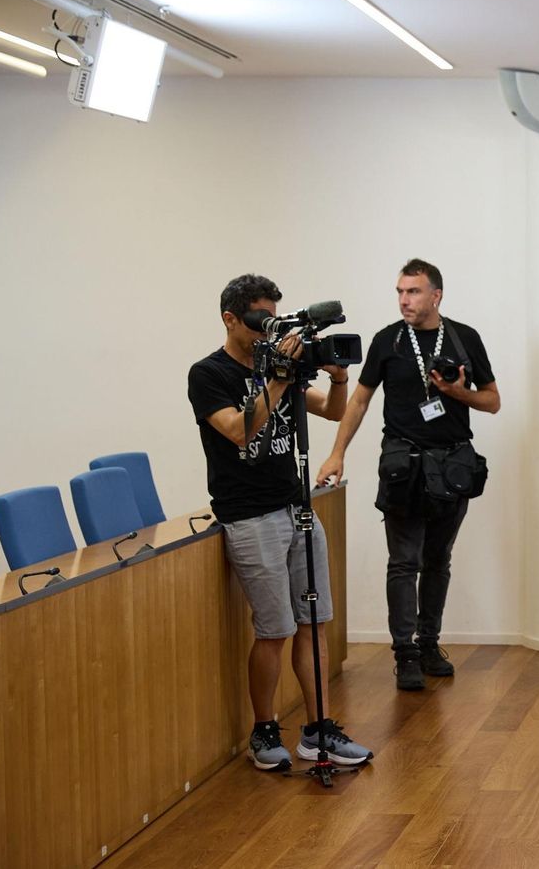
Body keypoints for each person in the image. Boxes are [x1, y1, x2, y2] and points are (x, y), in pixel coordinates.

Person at [187, 274, 373, 772]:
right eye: (258, 319)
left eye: (272, 315)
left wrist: (335, 375)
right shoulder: (209, 374)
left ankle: (318, 730)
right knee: (274, 629)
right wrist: (280, 377)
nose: (267, 329)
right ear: (230, 319)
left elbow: (333, 412)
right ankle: (264, 728)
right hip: (249, 516)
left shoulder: (278, 368)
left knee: (314, 623)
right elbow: (239, 430)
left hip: (298, 507)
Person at [316, 259, 499, 691]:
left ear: (436, 295)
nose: (404, 300)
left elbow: (492, 401)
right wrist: (336, 453)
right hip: (403, 465)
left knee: (438, 561)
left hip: (452, 465)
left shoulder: (464, 337)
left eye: (413, 292)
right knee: (403, 562)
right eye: (400, 291)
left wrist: (457, 392)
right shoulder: (387, 341)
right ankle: (405, 652)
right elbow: (358, 402)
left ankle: (430, 642)